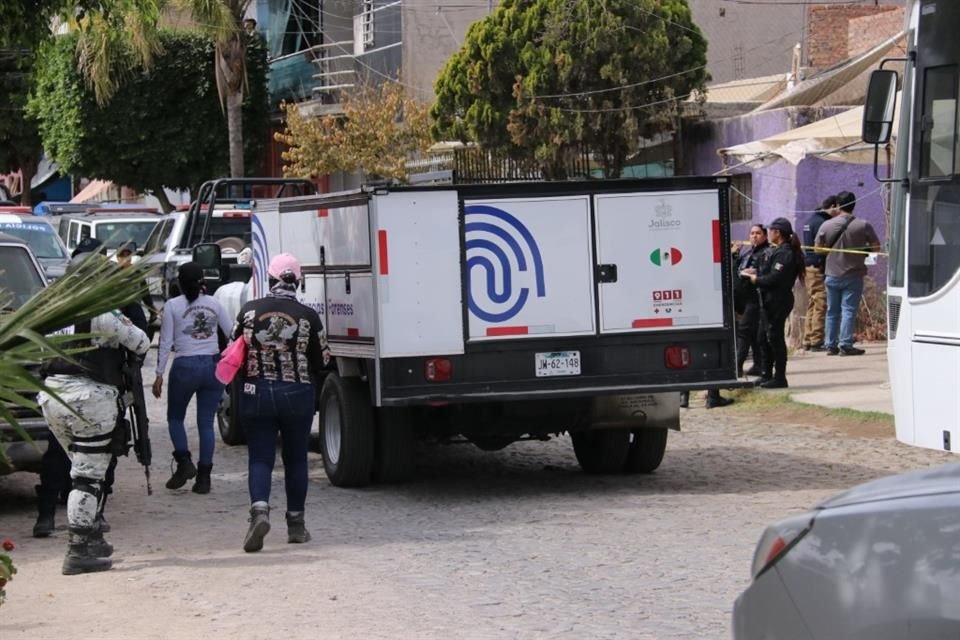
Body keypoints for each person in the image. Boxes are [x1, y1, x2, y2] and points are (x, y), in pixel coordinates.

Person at [37, 251, 152, 575]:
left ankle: (90, 539)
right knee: (87, 477)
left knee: (81, 470)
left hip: (52, 396)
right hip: (92, 397)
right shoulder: (104, 314)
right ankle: (79, 548)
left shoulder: (48, 309)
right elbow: (140, 343)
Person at [233, 253, 328, 552]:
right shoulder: (309, 317)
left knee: (260, 457)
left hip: (256, 390)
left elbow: (233, 351)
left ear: (270, 279)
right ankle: (296, 525)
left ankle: (259, 512)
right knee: (296, 459)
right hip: (296, 392)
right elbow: (322, 360)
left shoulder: (248, 312)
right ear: (297, 282)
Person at [152, 262, 233, 494]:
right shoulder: (215, 304)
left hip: (185, 366)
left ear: (179, 283)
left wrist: (159, 374)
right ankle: (204, 477)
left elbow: (165, 342)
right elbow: (231, 334)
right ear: (202, 283)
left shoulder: (172, 306)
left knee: (175, 418)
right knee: (206, 423)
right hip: (212, 366)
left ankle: (184, 462)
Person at [814, 191, 881, 356]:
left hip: (832, 273)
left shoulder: (826, 225)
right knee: (849, 310)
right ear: (854, 204)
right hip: (854, 274)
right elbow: (876, 247)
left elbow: (817, 250)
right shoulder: (863, 225)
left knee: (832, 310)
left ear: (837, 205)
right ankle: (845, 343)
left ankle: (830, 344)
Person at [741, 217, 804, 389]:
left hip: (778, 301)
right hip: (768, 300)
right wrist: (754, 272)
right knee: (763, 338)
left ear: (778, 233)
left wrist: (756, 279)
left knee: (774, 338)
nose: (769, 234)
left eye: (771, 231)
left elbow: (776, 278)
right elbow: (768, 271)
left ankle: (780, 377)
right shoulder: (776, 251)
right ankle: (766, 373)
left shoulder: (785, 253)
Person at [801, 196, 839, 351]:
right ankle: (816, 340)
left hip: (809, 266)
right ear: (832, 206)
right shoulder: (822, 223)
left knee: (812, 303)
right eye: (837, 208)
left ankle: (808, 339)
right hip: (817, 267)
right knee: (820, 304)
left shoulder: (810, 219)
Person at [734, 224, 771, 378]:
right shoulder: (749, 252)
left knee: (744, 332)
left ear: (765, 235)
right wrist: (734, 255)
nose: (754, 236)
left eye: (758, 233)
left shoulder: (767, 252)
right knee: (755, 334)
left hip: (756, 299)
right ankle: (758, 364)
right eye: (752, 233)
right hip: (744, 298)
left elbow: (767, 272)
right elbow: (737, 268)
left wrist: (754, 272)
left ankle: (736, 366)